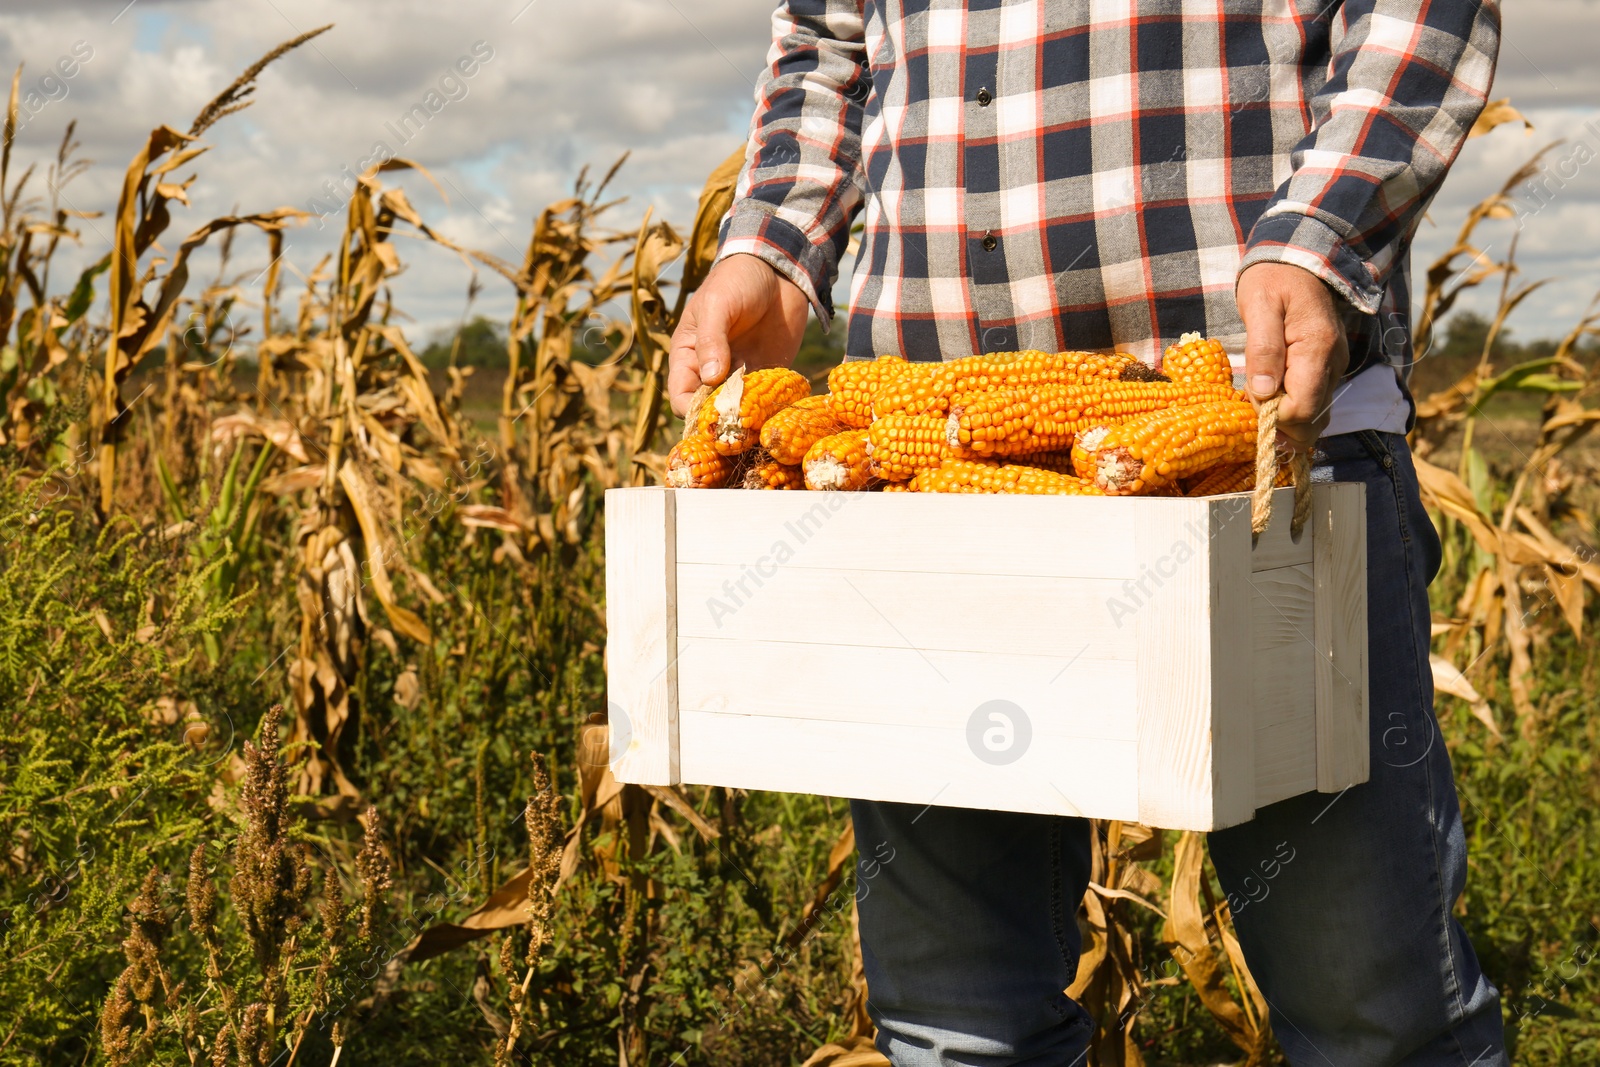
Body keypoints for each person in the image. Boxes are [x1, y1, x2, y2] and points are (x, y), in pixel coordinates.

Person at [667, 0, 1507, 1062]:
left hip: (1262, 442)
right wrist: (773, 248)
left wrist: (1317, 235)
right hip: (922, 465)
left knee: (1371, 1018)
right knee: (957, 1019)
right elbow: (826, 43)